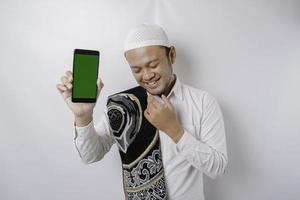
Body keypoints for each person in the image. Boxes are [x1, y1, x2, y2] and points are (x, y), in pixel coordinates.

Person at [56, 24, 228, 200]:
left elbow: (218, 167)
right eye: (136, 70)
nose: (146, 76)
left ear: (172, 55)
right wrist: (82, 116)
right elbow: (90, 155)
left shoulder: (203, 102)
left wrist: (175, 131)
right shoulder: (121, 105)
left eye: (153, 65)